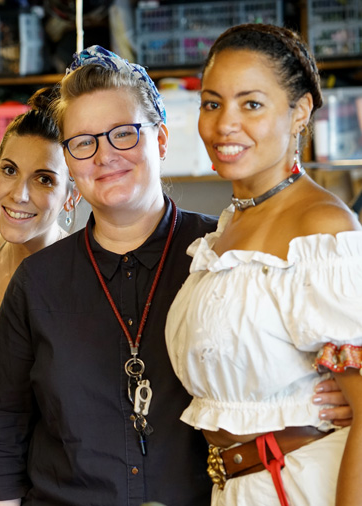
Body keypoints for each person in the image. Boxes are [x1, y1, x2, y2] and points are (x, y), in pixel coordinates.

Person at [0, 46, 352, 506]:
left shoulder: (224, 254)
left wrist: (325, 403)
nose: (104, 155)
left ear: (162, 140)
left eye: (123, 134)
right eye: (83, 142)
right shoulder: (36, 283)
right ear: (70, 161)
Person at [165, 24, 362, 506]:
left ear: (299, 112)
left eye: (251, 104)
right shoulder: (231, 223)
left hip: (302, 484)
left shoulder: (321, 229)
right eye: (212, 104)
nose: (224, 124)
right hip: (239, 486)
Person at [0, 87, 80, 430]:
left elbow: (92, 406)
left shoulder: (81, 277)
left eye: (44, 179)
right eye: (9, 170)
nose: (19, 194)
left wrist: (9, 410)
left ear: (71, 196)